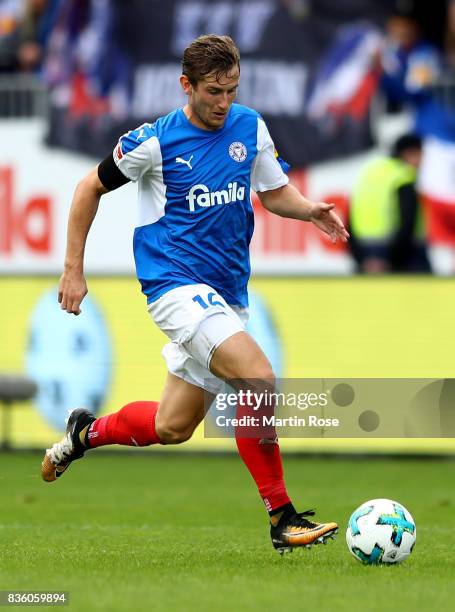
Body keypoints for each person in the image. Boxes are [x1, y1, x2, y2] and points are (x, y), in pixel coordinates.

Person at [41, 34, 348, 554]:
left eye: (231, 89)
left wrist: (308, 209)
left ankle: (83, 433)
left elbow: (272, 191)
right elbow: (87, 188)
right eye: (212, 91)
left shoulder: (249, 127)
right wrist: (73, 269)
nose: (223, 102)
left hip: (227, 295)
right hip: (175, 286)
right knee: (257, 377)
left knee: (172, 426)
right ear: (187, 85)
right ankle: (282, 517)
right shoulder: (154, 141)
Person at [349, 133, 430, 273]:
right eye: (420, 155)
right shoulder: (403, 177)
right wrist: (390, 260)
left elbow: (349, 218)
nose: (421, 162)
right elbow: (407, 223)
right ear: (409, 153)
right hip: (400, 256)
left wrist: (361, 258)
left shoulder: (369, 172)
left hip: (365, 255)